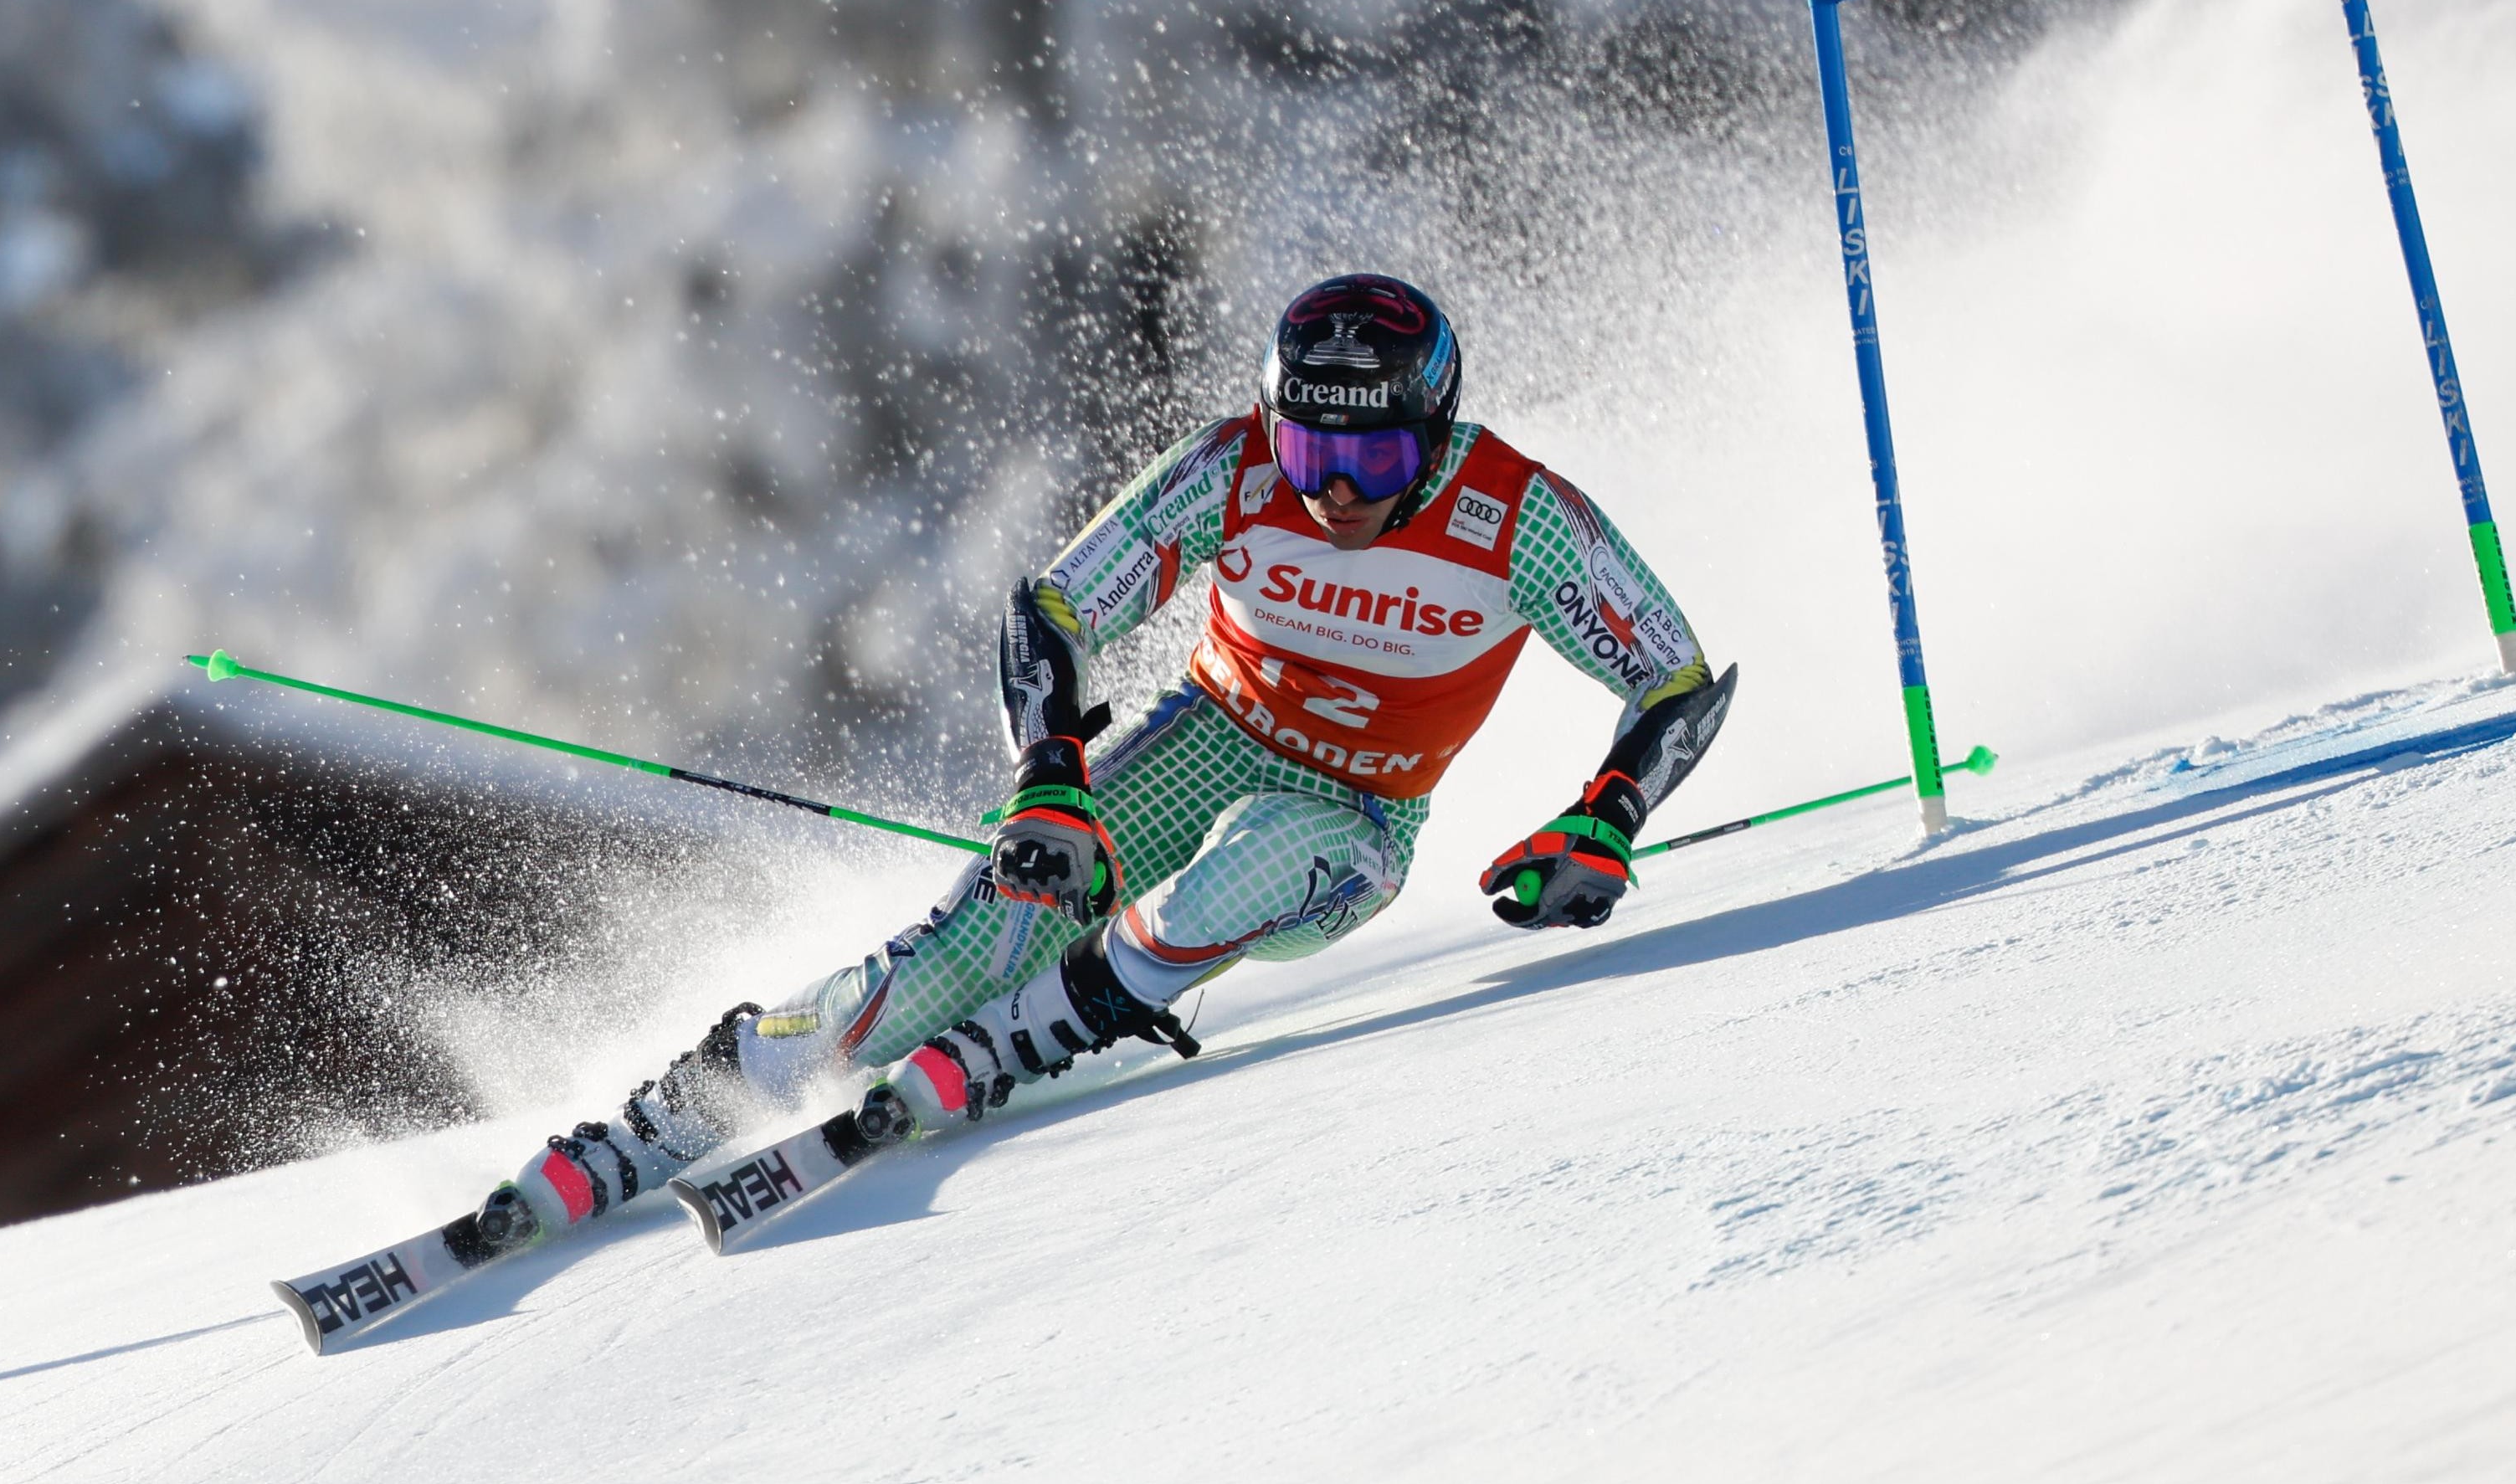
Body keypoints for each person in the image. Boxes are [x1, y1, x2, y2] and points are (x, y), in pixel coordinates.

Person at [472, 274, 1733, 1246]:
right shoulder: (1233, 471)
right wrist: (1052, 773)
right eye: (1311, 453)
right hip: (1202, 740)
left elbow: (1675, 678)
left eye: (1375, 460)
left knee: (1242, 867)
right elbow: (1053, 608)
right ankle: (679, 1109)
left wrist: (1606, 819)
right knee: (954, 956)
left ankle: (1031, 1036)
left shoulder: (1514, 518)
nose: (1337, 496)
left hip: (1357, 815)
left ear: (1437, 430)